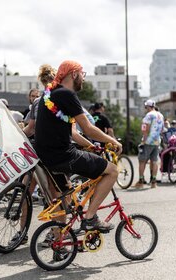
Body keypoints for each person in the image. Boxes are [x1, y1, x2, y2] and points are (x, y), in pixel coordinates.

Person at [35, 60, 122, 232]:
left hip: (46, 157)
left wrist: (90, 146)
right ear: (74, 74)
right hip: (63, 156)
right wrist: (113, 141)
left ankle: (58, 241)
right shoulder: (67, 95)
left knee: (61, 197)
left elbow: (74, 133)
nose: (84, 78)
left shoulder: (51, 94)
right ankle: (90, 218)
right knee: (112, 171)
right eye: (83, 74)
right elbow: (88, 128)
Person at [134, 99, 164, 189]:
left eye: (145, 107)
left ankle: (140, 181)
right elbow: (162, 129)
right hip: (157, 141)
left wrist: (144, 140)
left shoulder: (149, 115)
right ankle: (153, 182)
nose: (145, 109)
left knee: (142, 161)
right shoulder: (160, 115)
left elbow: (145, 128)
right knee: (154, 161)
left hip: (148, 141)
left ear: (148, 106)